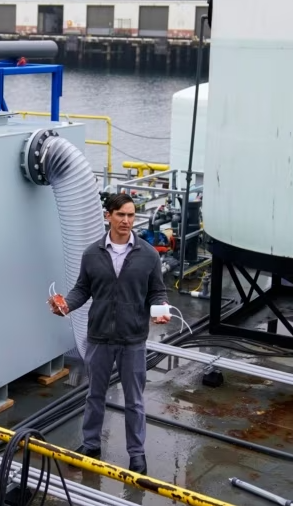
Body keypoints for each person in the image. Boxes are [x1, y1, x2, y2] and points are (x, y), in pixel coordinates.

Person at [48, 192, 169, 475]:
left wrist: (161, 307)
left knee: (135, 400)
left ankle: (137, 455)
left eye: (131, 215)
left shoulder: (148, 255)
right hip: (100, 337)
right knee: (94, 395)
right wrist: (65, 305)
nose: (127, 220)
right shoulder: (92, 254)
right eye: (121, 215)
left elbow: (157, 291)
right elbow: (82, 289)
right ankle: (91, 445)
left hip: (133, 339)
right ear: (108, 216)